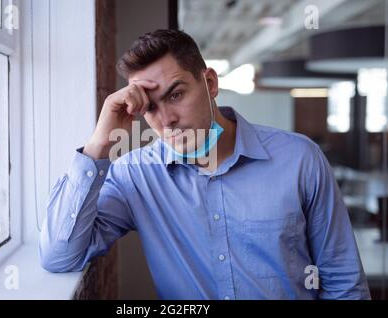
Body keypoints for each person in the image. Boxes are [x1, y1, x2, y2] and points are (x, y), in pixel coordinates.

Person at [39, 29, 370, 300]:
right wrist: (100, 144)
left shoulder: (299, 159)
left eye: (175, 95)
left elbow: (343, 282)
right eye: (150, 107)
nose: (167, 120)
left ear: (210, 83)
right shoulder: (136, 175)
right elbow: (59, 255)